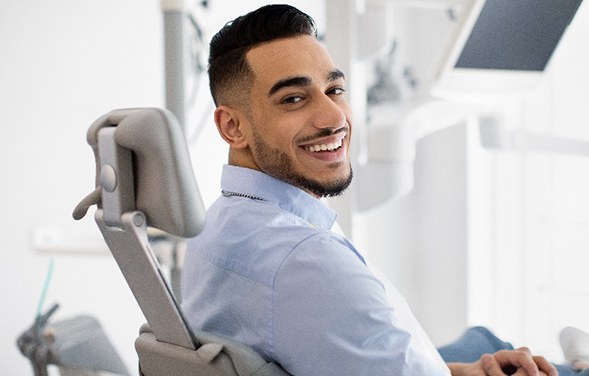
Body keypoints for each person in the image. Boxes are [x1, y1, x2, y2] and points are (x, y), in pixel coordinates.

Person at [180, 4, 578, 375]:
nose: (333, 116)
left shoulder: (214, 227)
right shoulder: (306, 261)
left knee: (484, 342)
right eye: (294, 98)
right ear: (233, 126)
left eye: (334, 90)